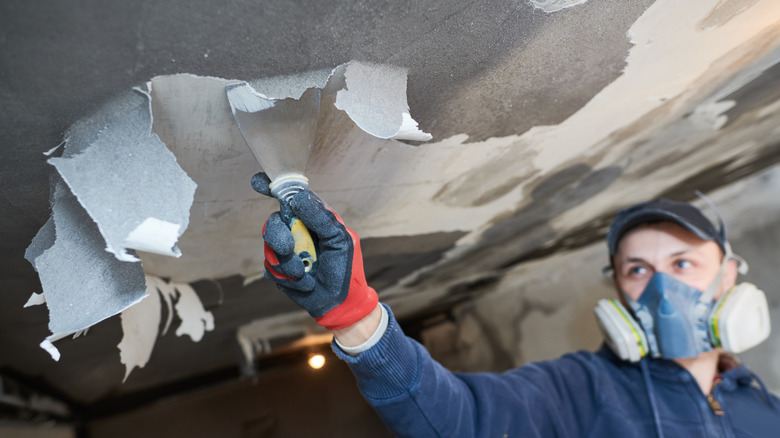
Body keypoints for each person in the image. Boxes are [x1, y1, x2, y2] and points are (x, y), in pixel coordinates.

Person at [252, 172, 779, 437]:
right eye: (637, 269)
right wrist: (358, 320)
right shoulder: (582, 390)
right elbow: (462, 420)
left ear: (729, 276)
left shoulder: (766, 406)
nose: (662, 288)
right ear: (617, 290)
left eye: (684, 264)